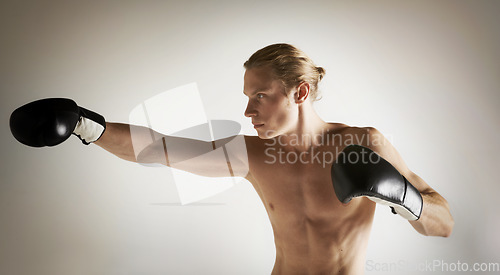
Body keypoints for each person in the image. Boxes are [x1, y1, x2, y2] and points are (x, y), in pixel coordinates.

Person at [10, 43, 454, 274]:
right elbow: (160, 148)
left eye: (260, 96)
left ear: (299, 92)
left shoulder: (365, 143)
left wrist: (406, 199)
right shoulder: (253, 154)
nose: (247, 111)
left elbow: (444, 224)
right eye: (247, 97)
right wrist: (88, 126)